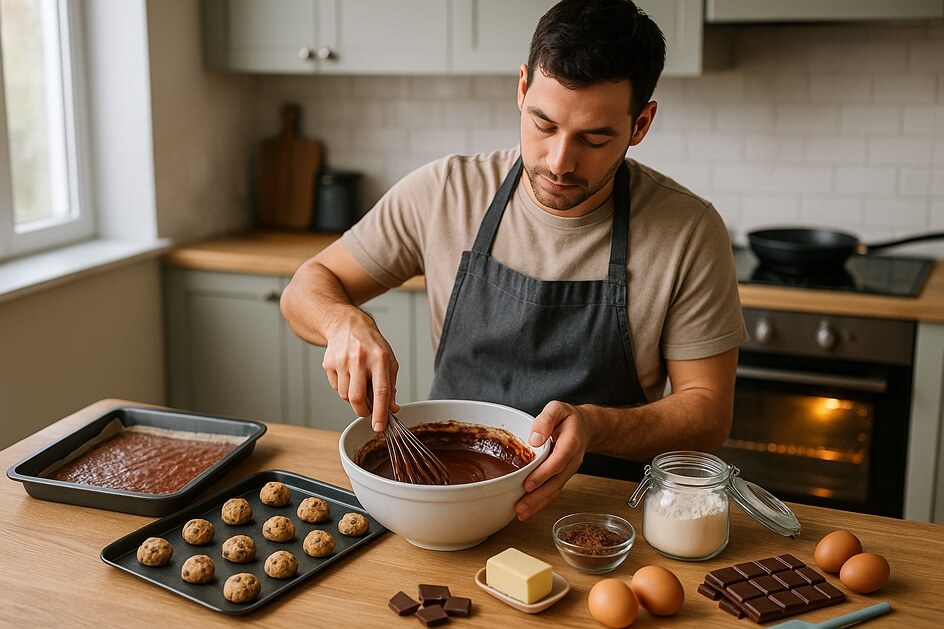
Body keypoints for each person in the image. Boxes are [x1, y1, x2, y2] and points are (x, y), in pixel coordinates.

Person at [280, 0, 748, 521]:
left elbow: (709, 414)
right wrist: (343, 322)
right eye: (543, 125)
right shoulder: (445, 192)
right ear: (522, 88)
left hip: (601, 513)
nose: (559, 162)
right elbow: (305, 287)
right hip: (442, 503)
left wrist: (596, 426)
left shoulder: (689, 232)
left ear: (641, 124)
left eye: (594, 138)